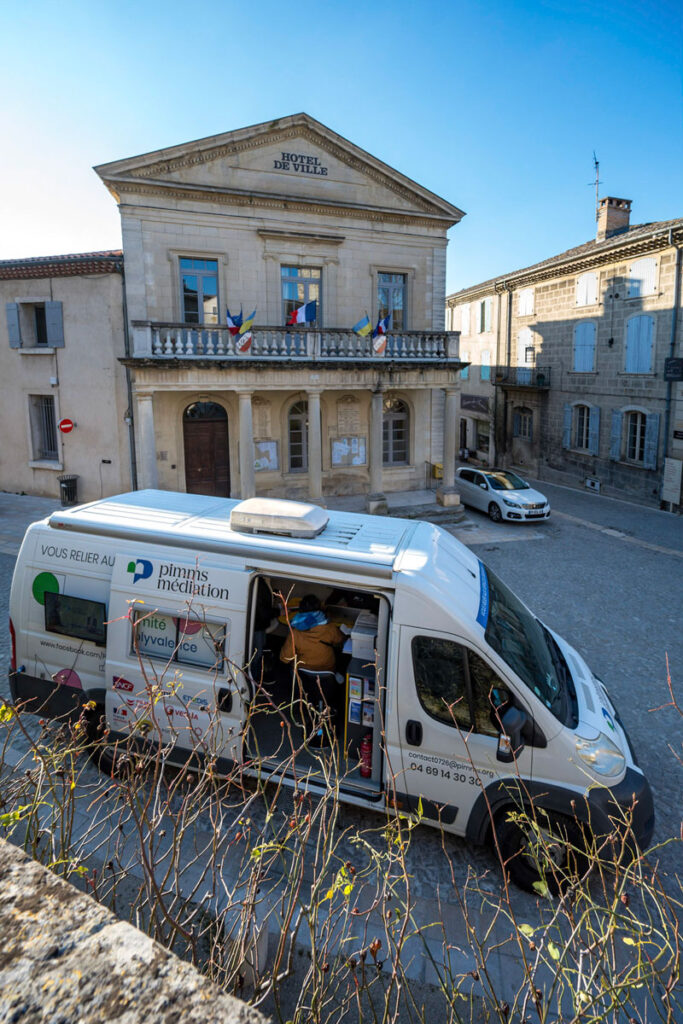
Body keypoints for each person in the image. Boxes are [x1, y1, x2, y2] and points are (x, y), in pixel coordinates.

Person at [280, 594, 345, 673]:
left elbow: (285, 658)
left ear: (301, 610)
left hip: (302, 670)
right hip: (327, 669)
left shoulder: (295, 632)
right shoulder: (329, 627)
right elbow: (340, 641)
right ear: (319, 610)